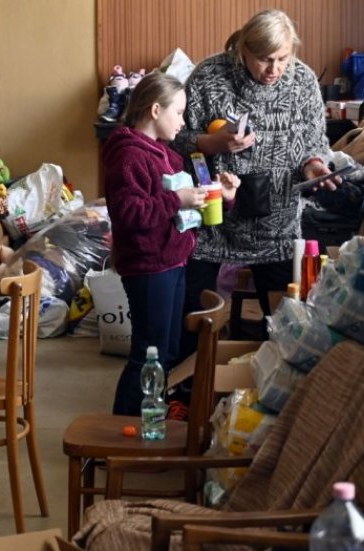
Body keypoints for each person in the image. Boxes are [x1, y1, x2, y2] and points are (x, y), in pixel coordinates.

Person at [173, 9, 338, 346]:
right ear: (243, 49)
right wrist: (210, 142)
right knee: (191, 318)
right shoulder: (209, 77)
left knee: (282, 325)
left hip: (275, 224)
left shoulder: (303, 82)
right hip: (211, 220)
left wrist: (315, 166)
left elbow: (314, 144)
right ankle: (187, 391)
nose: (274, 69)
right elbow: (173, 139)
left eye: (282, 58)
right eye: (264, 59)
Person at [104, 73, 239, 416]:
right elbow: (128, 213)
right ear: (154, 110)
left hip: (173, 261)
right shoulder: (129, 156)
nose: (183, 122)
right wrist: (175, 200)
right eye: (178, 113)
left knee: (167, 349)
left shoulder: (167, 154)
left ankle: (152, 418)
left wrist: (221, 197)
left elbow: (191, 208)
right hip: (149, 266)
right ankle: (121, 434)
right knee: (148, 353)